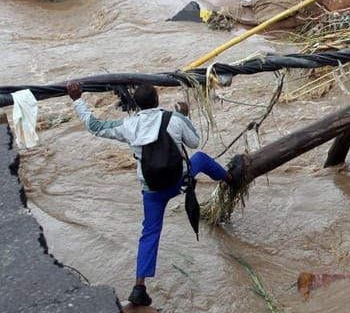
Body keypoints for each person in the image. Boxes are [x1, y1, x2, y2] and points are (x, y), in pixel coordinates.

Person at [66, 81, 230, 308]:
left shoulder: (129, 125)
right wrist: (185, 115)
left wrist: (77, 100)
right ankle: (231, 179)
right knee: (200, 158)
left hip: (153, 191)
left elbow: (95, 126)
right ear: (157, 100)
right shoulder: (174, 119)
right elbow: (194, 142)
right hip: (179, 181)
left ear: (136, 105)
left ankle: (139, 287)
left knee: (150, 233)